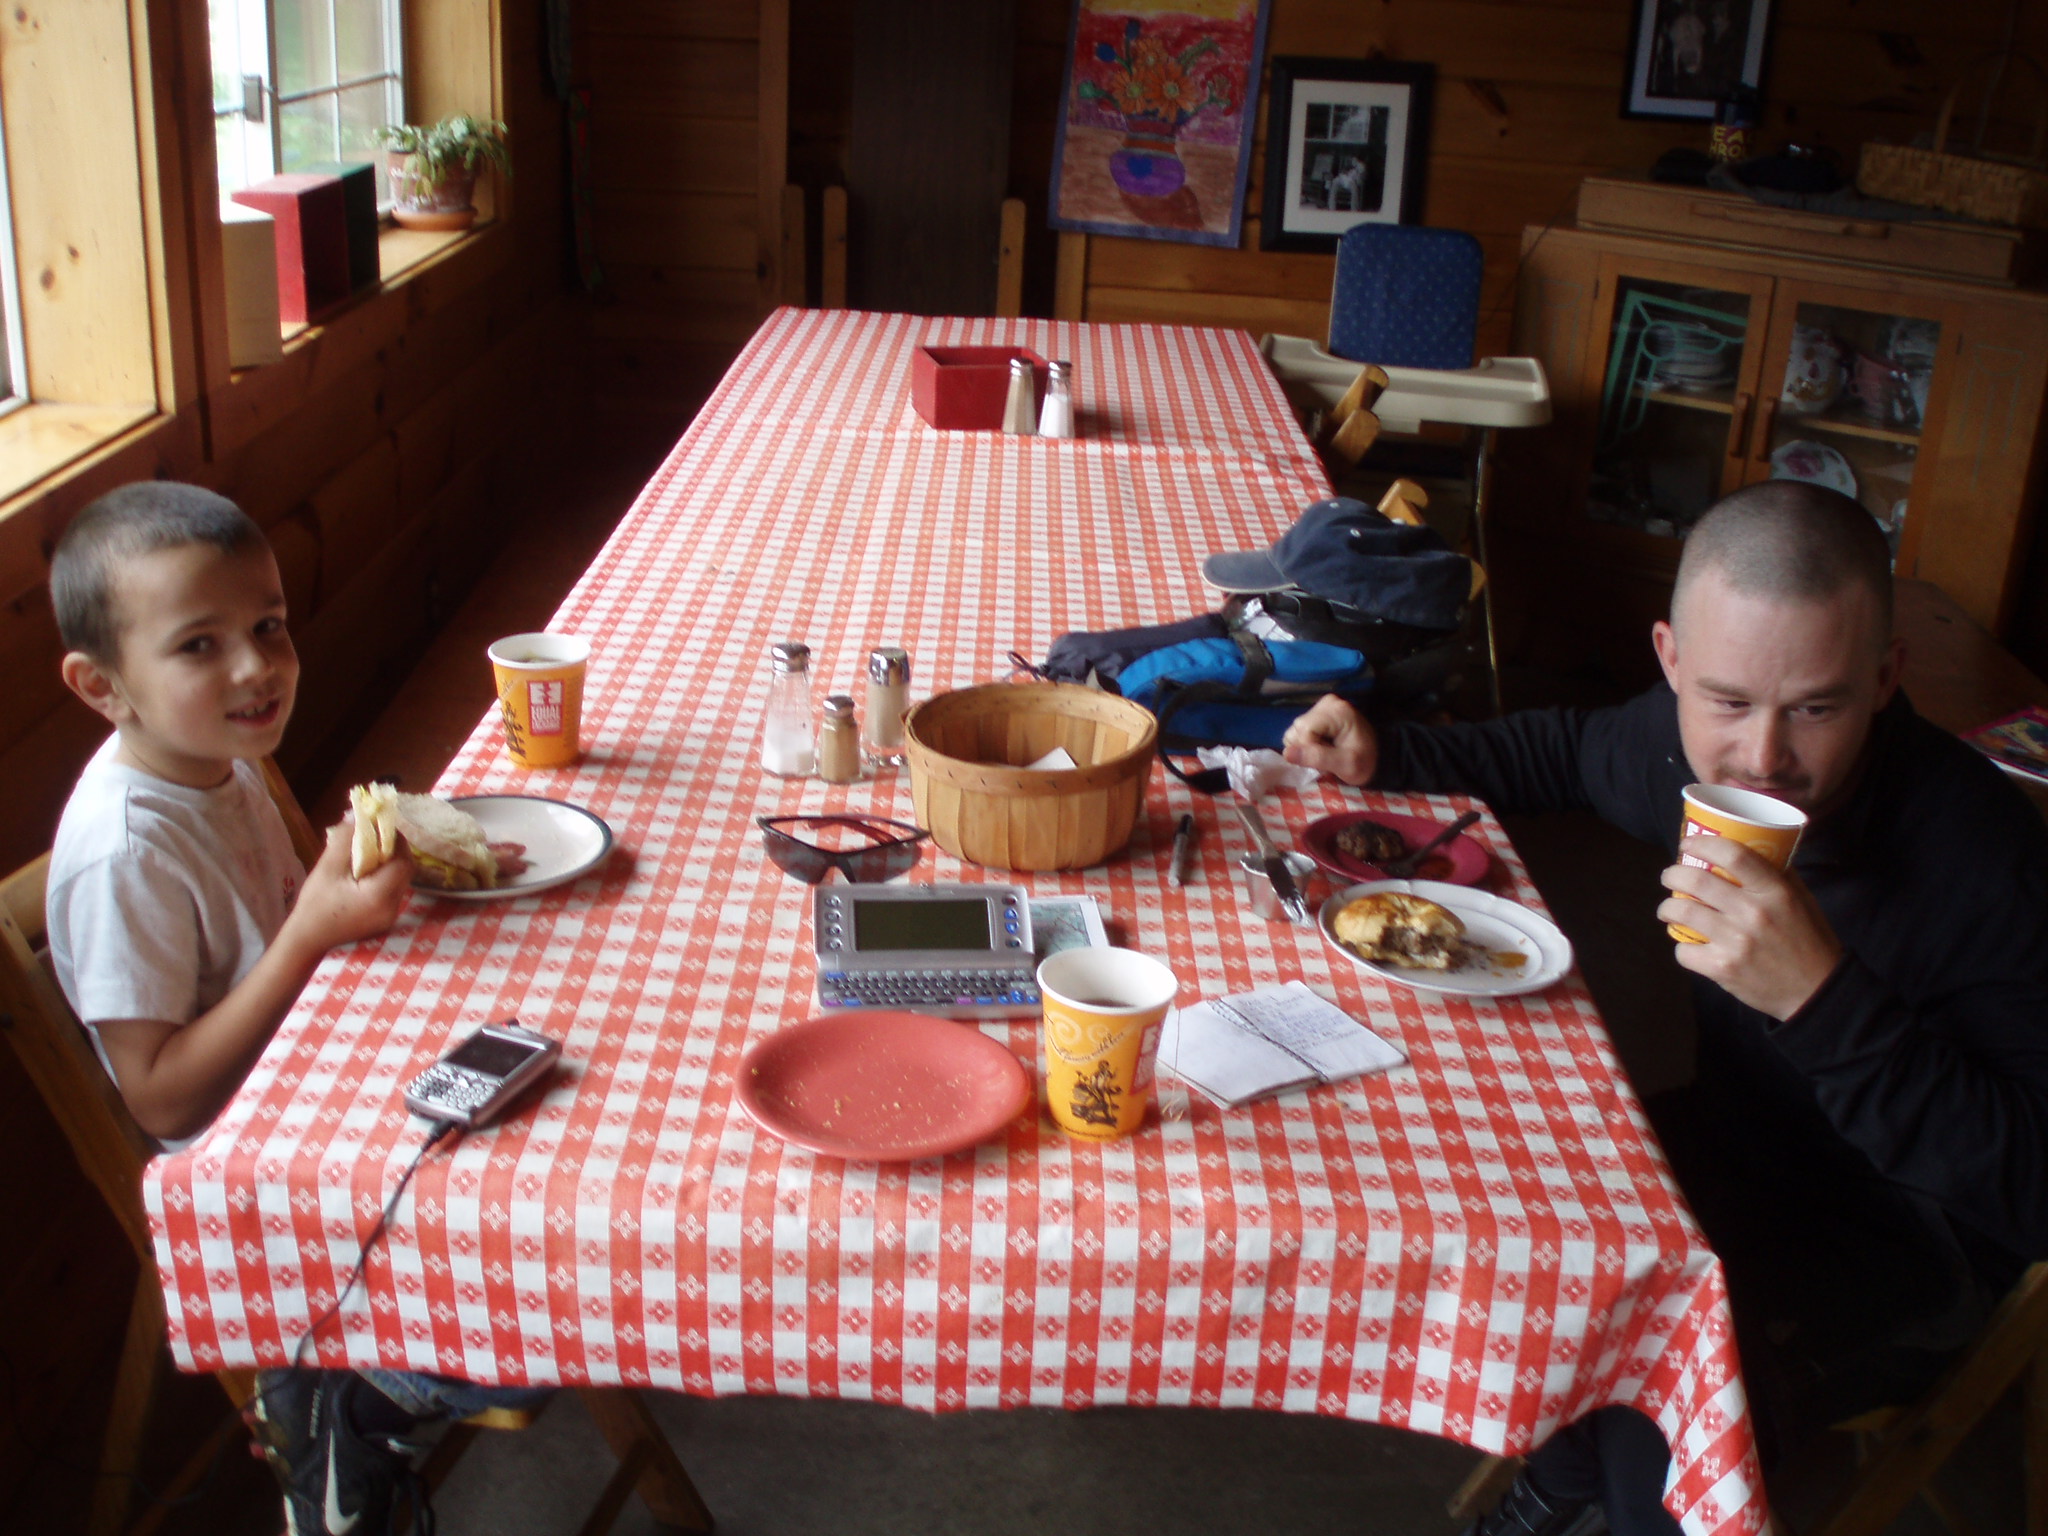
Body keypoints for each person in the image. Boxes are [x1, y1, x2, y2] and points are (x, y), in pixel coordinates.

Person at [1280, 481, 2048, 1535]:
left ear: (1884, 677)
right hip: (1743, 1144)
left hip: (1915, 1237)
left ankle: (1610, 1472)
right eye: (1727, 701)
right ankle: (1564, 1468)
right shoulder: (1685, 752)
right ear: (1669, 660)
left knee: (1665, 1378)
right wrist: (1389, 751)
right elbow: (1554, 751)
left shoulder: (1984, 863)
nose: (1763, 758)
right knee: (1526, 1203)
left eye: (1816, 707)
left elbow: (2029, 1190)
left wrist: (1824, 1003)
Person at [45, 482, 543, 1536]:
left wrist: (415, 857)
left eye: (268, 626)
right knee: (538, 1260)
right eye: (198, 645)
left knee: (555, 1101)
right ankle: (354, 1408)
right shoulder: (124, 852)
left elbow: (280, 911)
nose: (256, 667)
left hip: (321, 1070)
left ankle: (398, 1375)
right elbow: (162, 1099)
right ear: (102, 686)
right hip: (253, 1176)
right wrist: (310, 934)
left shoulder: (219, 765)